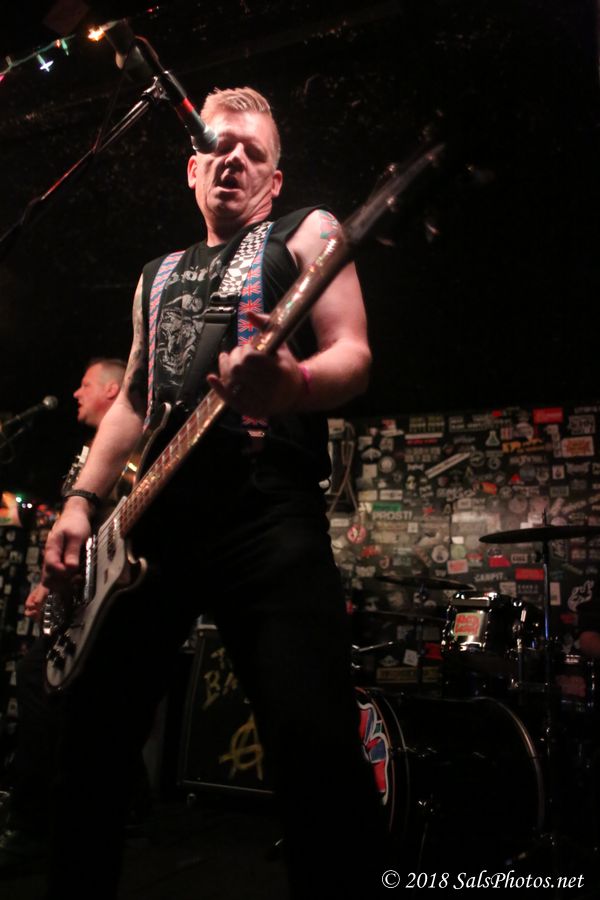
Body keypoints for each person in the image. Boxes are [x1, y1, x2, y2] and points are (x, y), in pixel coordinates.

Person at [43, 87, 388, 899]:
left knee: (314, 747)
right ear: (193, 169)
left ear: (274, 177)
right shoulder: (156, 275)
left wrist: (294, 384)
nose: (233, 159)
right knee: (89, 748)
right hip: (153, 527)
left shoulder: (308, 231)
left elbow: (354, 353)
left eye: (252, 151)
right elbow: (133, 402)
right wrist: (82, 502)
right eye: (217, 147)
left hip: (267, 512)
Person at [0, 358, 126, 872]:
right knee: (82, 693)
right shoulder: (94, 452)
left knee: (41, 676)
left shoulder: (130, 449)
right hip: (86, 592)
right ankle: (129, 807)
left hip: (115, 593)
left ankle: (30, 826)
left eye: (86, 384)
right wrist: (51, 581)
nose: (75, 392)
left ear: (113, 391)